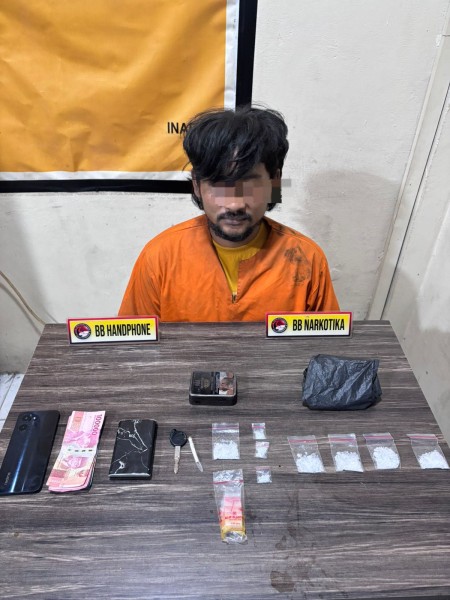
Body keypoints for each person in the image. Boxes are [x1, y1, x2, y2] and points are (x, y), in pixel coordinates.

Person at [119, 106, 339, 321]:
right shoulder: (160, 258)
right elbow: (134, 340)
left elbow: (325, 342)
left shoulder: (306, 258)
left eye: (250, 185)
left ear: (274, 182)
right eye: (219, 185)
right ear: (196, 185)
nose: (235, 204)